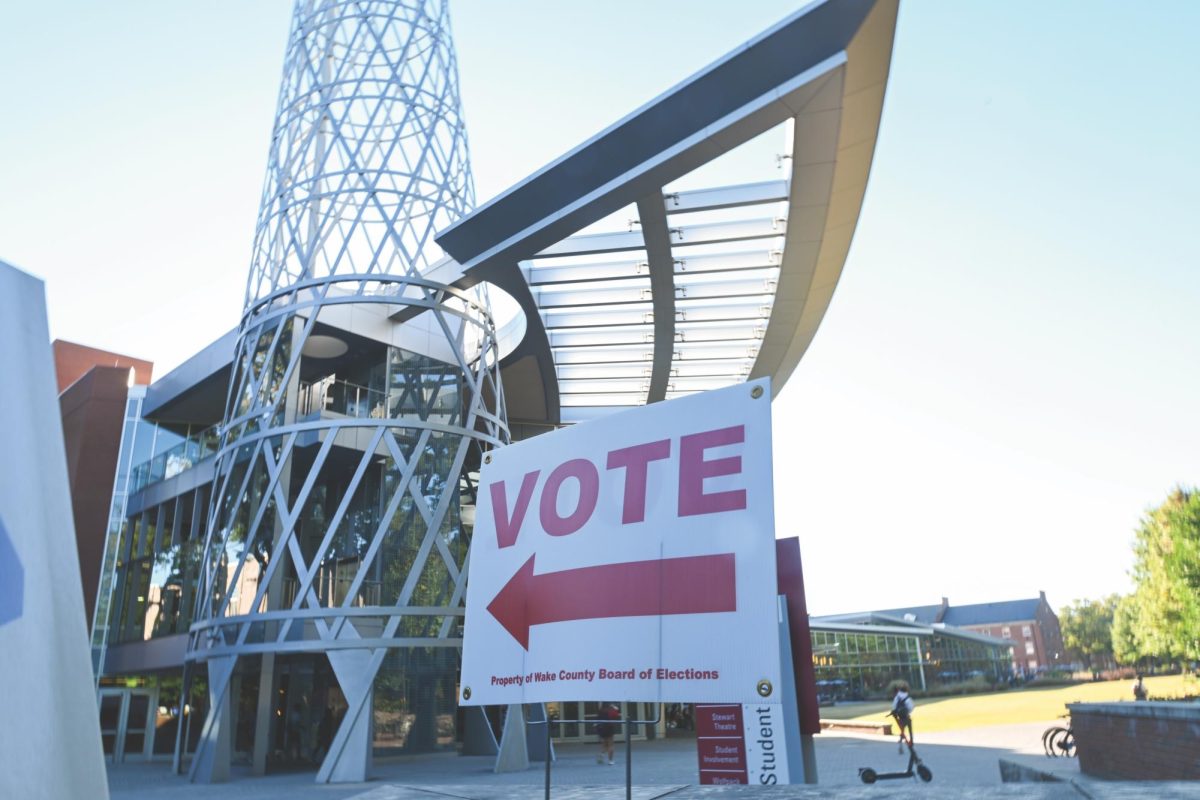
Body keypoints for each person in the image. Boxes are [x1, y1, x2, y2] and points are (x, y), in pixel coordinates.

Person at [890, 682, 915, 751]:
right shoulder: (907, 696)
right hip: (907, 716)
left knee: (902, 729)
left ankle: (901, 744)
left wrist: (895, 712)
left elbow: (894, 707)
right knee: (910, 729)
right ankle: (911, 741)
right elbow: (911, 707)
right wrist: (907, 712)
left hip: (901, 717)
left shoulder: (897, 697)